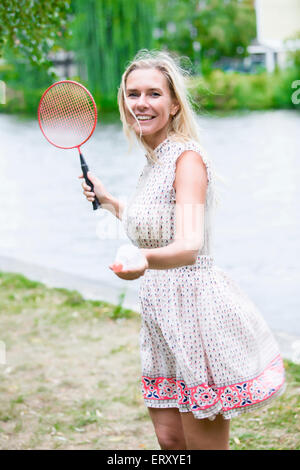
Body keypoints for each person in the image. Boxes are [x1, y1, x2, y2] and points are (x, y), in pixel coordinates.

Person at [79, 49, 285, 450]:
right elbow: (157, 225)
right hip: (160, 312)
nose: (141, 103)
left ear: (174, 104)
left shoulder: (186, 158)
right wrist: (109, 201)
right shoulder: (153, 160)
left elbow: (188, 244)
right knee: (170, 441)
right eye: (132, 93)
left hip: (194, 311)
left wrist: (143, 260)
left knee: (202, 443)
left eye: (153, 94)